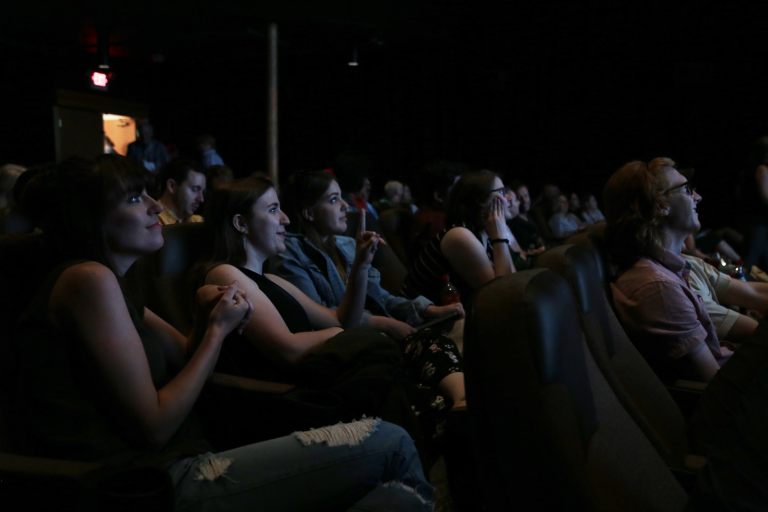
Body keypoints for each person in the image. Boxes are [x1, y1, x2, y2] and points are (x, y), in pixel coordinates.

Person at [11, 154, 433, 512]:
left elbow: (183, 355)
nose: (158, 207)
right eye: (136, 199)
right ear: (90, 217)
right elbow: (153, 427)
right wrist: (215, 332)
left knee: (396, 493)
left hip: (182, 456)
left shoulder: (117, 285)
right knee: (392, 444)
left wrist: (201, 318)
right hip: (148, 481)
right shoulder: (88, 280)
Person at [272, 171, 467, 423]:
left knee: (461, 326)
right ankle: (463, 404)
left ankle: (467, 402)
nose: (345, 205)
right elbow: (322, 315)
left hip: (385, 335)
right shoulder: (289, 254)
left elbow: (383, 299)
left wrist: (429, 310)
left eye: (342, 197)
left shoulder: (345, 244)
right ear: (309, 212)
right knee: (433, 341)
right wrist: (382, 322)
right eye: (333, 200)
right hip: (354, 349)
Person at [605, 157, 733, 383]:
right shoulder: (658, 287)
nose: (698, 197)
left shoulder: (667, 271)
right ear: (659, 205)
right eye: (686, 190)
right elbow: (718, 388)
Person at [401, 170, 517, 305]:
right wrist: (500, 238)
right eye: (502, 192)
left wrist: (499, 233)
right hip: (421, 321)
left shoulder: (485, 232)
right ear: (481, 201)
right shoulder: (459, 235)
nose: (509, 198)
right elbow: (501, 293)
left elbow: (514, 280)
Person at [410, 161, 466, 257]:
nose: (464, 193)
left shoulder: (426, 213)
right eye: (457, 189)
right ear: (438, 196)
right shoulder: (438, 223)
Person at [157, 159, 206, 225]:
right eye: (195, 189)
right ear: (172, 186)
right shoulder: (152, 221)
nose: (201, 199)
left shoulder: (197, 221)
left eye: (202, 191)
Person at [507, 180, 545, 254]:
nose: (524, 200)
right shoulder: (511, 222)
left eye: (526, 195)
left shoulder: (530, 216)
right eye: (519, 198)